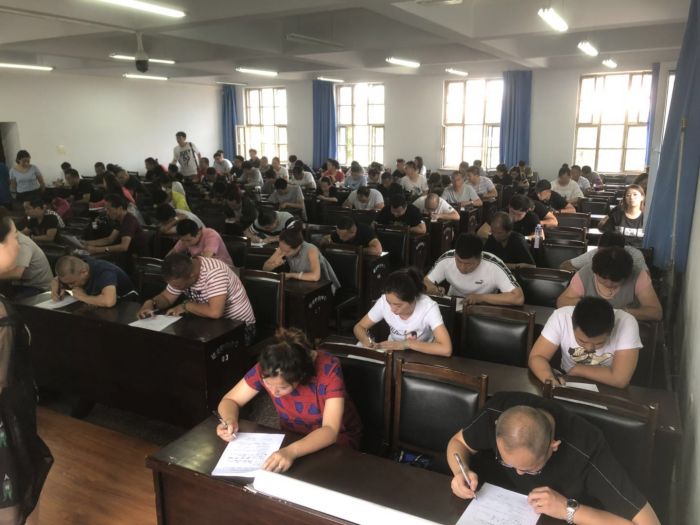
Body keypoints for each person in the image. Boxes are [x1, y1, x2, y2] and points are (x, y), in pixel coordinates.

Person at [446, 391, 661, 525]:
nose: (518, 472)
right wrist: (460, 471)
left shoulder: (587, 450)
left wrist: (567, 509)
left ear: (553, 446)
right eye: (507, 463)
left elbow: (649, 523)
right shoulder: (497, 412)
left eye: (529, 469)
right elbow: (458, 443)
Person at [216, 328, 363, 472]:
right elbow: (230, 400)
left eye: (282, 387)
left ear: (300, 377)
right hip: (292, 436)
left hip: (334, 440)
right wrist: (230, 420)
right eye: (267, 384)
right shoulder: (270, 366)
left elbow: (330, 430)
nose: (273, 392)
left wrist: (292, 451)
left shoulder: (329, 369)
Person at [0, 213, 53, 525]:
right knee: (12, 505)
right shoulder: (1, 314)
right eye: (13, 238)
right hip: (7, 421)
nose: (19, 245)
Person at [138, 253, 256, 344]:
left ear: (192, 275)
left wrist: (185, 306)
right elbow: (166, 297)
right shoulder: (181, 273)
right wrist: (151, 303)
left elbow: (215, 312)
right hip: (210, 325)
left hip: (241, 328)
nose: (175, 288)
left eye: (178, 286)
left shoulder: (214, 272)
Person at [529, 297, 641, 389]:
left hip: (608, 386)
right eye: (582, 341)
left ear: (612, 329)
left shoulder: (626, 323)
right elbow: (537, 357)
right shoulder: (561, 317)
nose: (589, 348)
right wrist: (549, 379)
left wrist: (578, 369)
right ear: (572, 324)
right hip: (568, 381)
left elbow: (620, 379)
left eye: (599, 343)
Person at [353, 268, 452, 356]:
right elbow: (359, 327)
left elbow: (446, 349)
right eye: (389, 303)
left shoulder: (428, 307)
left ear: (413, 300)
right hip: (394, 352)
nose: (392, 309)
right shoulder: (384, 301)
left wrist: (406, 344)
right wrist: (367, 341)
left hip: (423, 354)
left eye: (398, 305)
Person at [556, 247, 662, 321]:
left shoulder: (638, 275)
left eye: (616, 281)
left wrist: (619, 313)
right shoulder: (586, 273)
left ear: (627, 275)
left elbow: (656, 312)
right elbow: (562, 302)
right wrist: (590, 308)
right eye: (603, 279)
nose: (609, 283)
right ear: (595, 272)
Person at [424, 234, 524, 306]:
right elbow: (425, 282)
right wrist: (434, 289)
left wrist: (480, 298)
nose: (462, 267)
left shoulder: (494, 265)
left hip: (483, 308)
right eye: (458, 261)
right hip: (453, 305)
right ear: (455, 254)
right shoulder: (447, 258)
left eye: (468, 264)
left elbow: (518, 298)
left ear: (480, 258)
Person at [263, 223, 340, 293]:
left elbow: (315, 277)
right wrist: (274, 264)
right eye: (281, 249)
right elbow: (265, 268)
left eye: (288, 251)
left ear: (299, 247)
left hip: (323, 286)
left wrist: (291, 275)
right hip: (300, 284)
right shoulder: (283, 248)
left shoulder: (311, 249)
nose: (283, 253)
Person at [51, 255, 137, 307]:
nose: (70, 286)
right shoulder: (78, 270)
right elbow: (56, 280)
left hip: (127, 304)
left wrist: (83, 296)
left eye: (72, 283)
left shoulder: (103, 271)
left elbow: (109, 301)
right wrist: (55, 290)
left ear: (84, 272)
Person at [560, 232, 647, 274]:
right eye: (600, 252)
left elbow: (646, 276)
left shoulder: (635, 255)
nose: (602, 256)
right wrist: (581, 276)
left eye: (607, 254)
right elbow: (565, 265)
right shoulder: (596, 253)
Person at [0, 230, 52, 298]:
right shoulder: (6, 241)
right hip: (21, 283)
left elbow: (17, 274)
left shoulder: (22, 243)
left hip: (38, 287)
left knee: (10, 301)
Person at [168, 219, 233, 266]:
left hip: (223, 267)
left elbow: (206, 260)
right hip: (203, 267)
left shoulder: (211, 235)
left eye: (188, 240)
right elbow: (172, 254)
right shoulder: (185, 238)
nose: (185, 244)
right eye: (182, 240)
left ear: (198, 233)